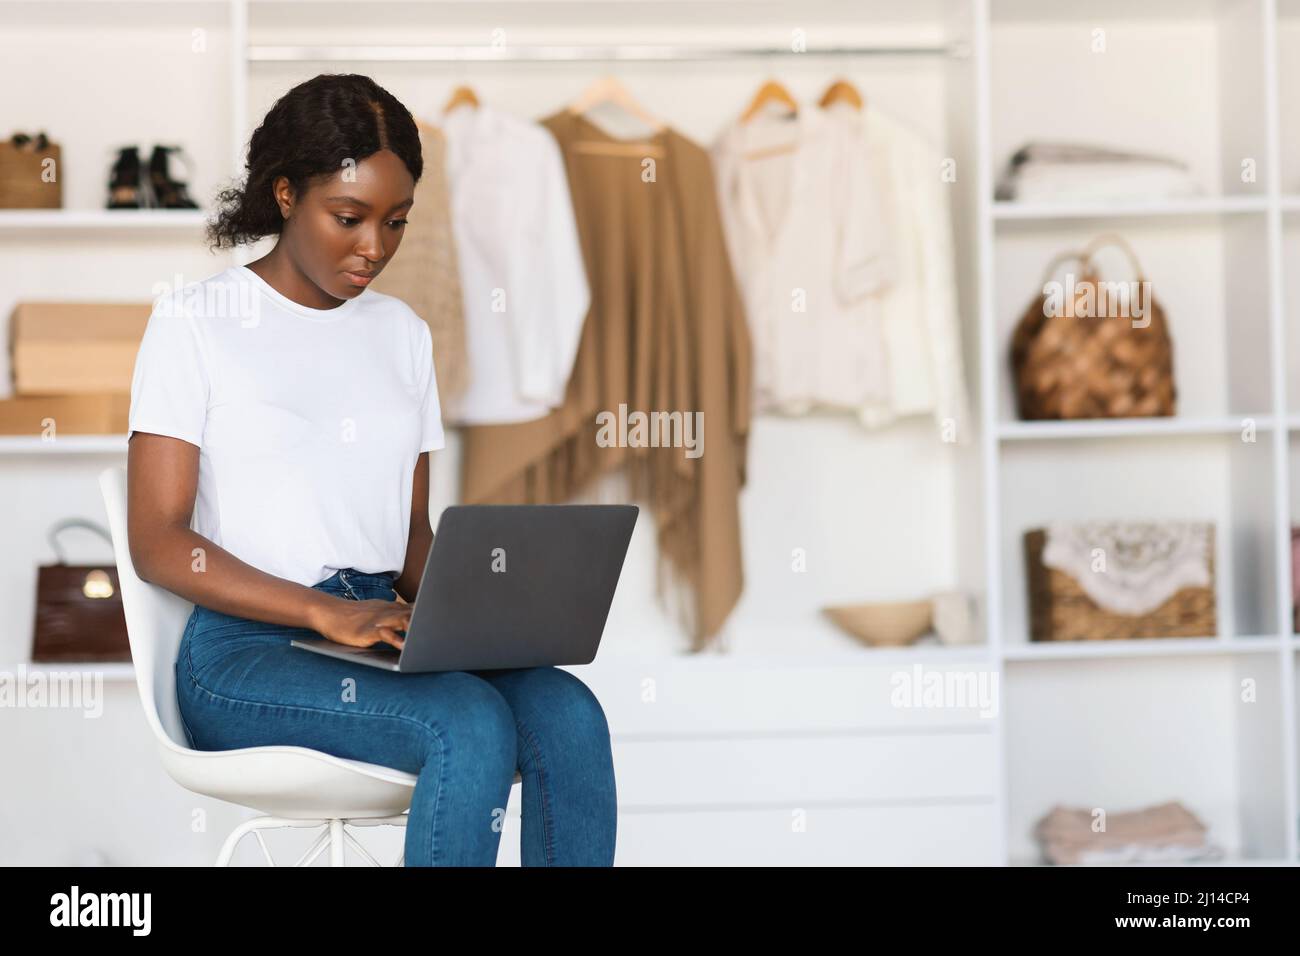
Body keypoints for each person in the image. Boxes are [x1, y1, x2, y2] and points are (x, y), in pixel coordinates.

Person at [125, 73, 617, 867]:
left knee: (568, 711)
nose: (375, 249)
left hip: (379, 634)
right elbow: (157, 541)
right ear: (286, 195)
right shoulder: (195, 323)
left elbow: (410, 535)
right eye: (348, 218)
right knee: (466, 719)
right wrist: (321, 613)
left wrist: (491, 613)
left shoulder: (403, 334)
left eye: (396, 222)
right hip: (247, 654)